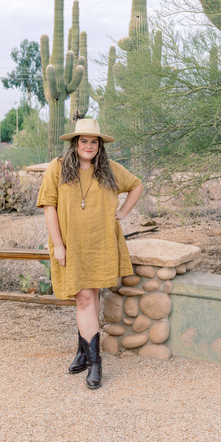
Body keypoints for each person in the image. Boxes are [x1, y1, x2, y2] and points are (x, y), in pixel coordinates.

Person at [37, 119, 143, 389]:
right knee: (84, 297)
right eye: (83, 140)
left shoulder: (109, 170)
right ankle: (95, 361)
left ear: (99, 145)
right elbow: (49, 207)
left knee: (91, 295)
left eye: (93, 141)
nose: (88, 146)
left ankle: (85, 355)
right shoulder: (57, 168)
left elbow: (137, 185)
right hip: (71, 244)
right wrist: (58, 245)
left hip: (100, 243)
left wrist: (122, 213)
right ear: (75, 142)